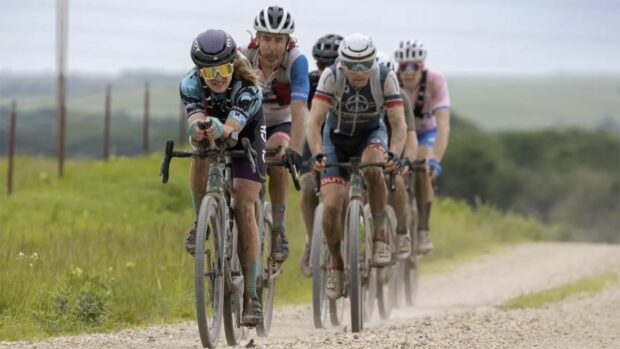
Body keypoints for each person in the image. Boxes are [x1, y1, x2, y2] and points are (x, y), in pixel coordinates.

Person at [307, 33, 407, 300]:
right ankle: (337, 265)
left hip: (371, 134)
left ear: (374, 62)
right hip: (335, 139)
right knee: (330, 204)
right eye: (353, 65)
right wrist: (317, 153)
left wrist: (395, 154)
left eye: (366, 65)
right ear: (342, 64)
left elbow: (399, 125)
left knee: (375, 167)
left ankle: (380, 236)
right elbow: (315, 122)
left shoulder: (385, 77)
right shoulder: (331, 76)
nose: (360, 72)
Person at [180, 29, 265, 325]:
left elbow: (230, 131)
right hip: (214, 125)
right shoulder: (190, 84)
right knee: (200, 148)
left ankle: (251, 296)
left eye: (224, 69)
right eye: (209, 71)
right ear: (198, 71)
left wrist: (220, 127)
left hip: (246, 132)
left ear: (234, 64)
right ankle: (199, 223)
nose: (217, 77)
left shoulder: (248, 87)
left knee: (243, 202)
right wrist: (197, 129)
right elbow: (193, 121)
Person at [240, 5, 310, 263]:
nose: (271, 47)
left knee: (277, 156)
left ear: (288, 41)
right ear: (257, 37)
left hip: (282, 122)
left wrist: (296, 149)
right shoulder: (244, 56)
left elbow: (300, 107)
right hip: (249, 120)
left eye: (278, 40)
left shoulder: (297, 61)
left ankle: (278, 228)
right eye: (266, 39)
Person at [394, 40, 451, 254]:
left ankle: (423, 230)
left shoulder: (435, 82)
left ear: (422, 66)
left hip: (426, 131)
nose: (408, 73)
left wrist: (435, 159)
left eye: (413, 67)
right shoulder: (392, 80)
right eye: (403, 67)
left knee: (421, 164)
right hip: (402, 132)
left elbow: (443, 126)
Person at [299, 33, 343, 277]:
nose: (325, 69)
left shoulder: (353, 81)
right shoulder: (311, 82)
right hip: (317, 135)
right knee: (307, 185)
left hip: (344, 137)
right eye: (321, 64)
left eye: (332, 63)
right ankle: (310, 240)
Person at [375, 51, 418, 258]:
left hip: (394, 146)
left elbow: (410, 134)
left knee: (397, 181)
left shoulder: (400, 97)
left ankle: (402, 231)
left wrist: (406, 159)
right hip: (373, 148)